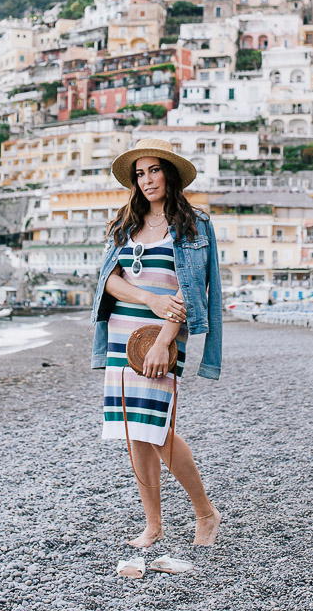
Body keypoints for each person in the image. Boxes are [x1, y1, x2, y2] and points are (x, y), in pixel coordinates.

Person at [91, 137, 222, 548]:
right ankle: (153, 525)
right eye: (140, 173)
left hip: (161, 338)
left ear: (169, 172)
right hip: (121, 338)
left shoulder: (194, 225)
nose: (147, 180)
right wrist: (147, 296)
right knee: (135, 432)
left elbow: (191, 289)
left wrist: (166, 341)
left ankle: (205, 512)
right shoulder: (124, 224)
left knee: (158, 429)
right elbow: (108, 281)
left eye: (154, 170)